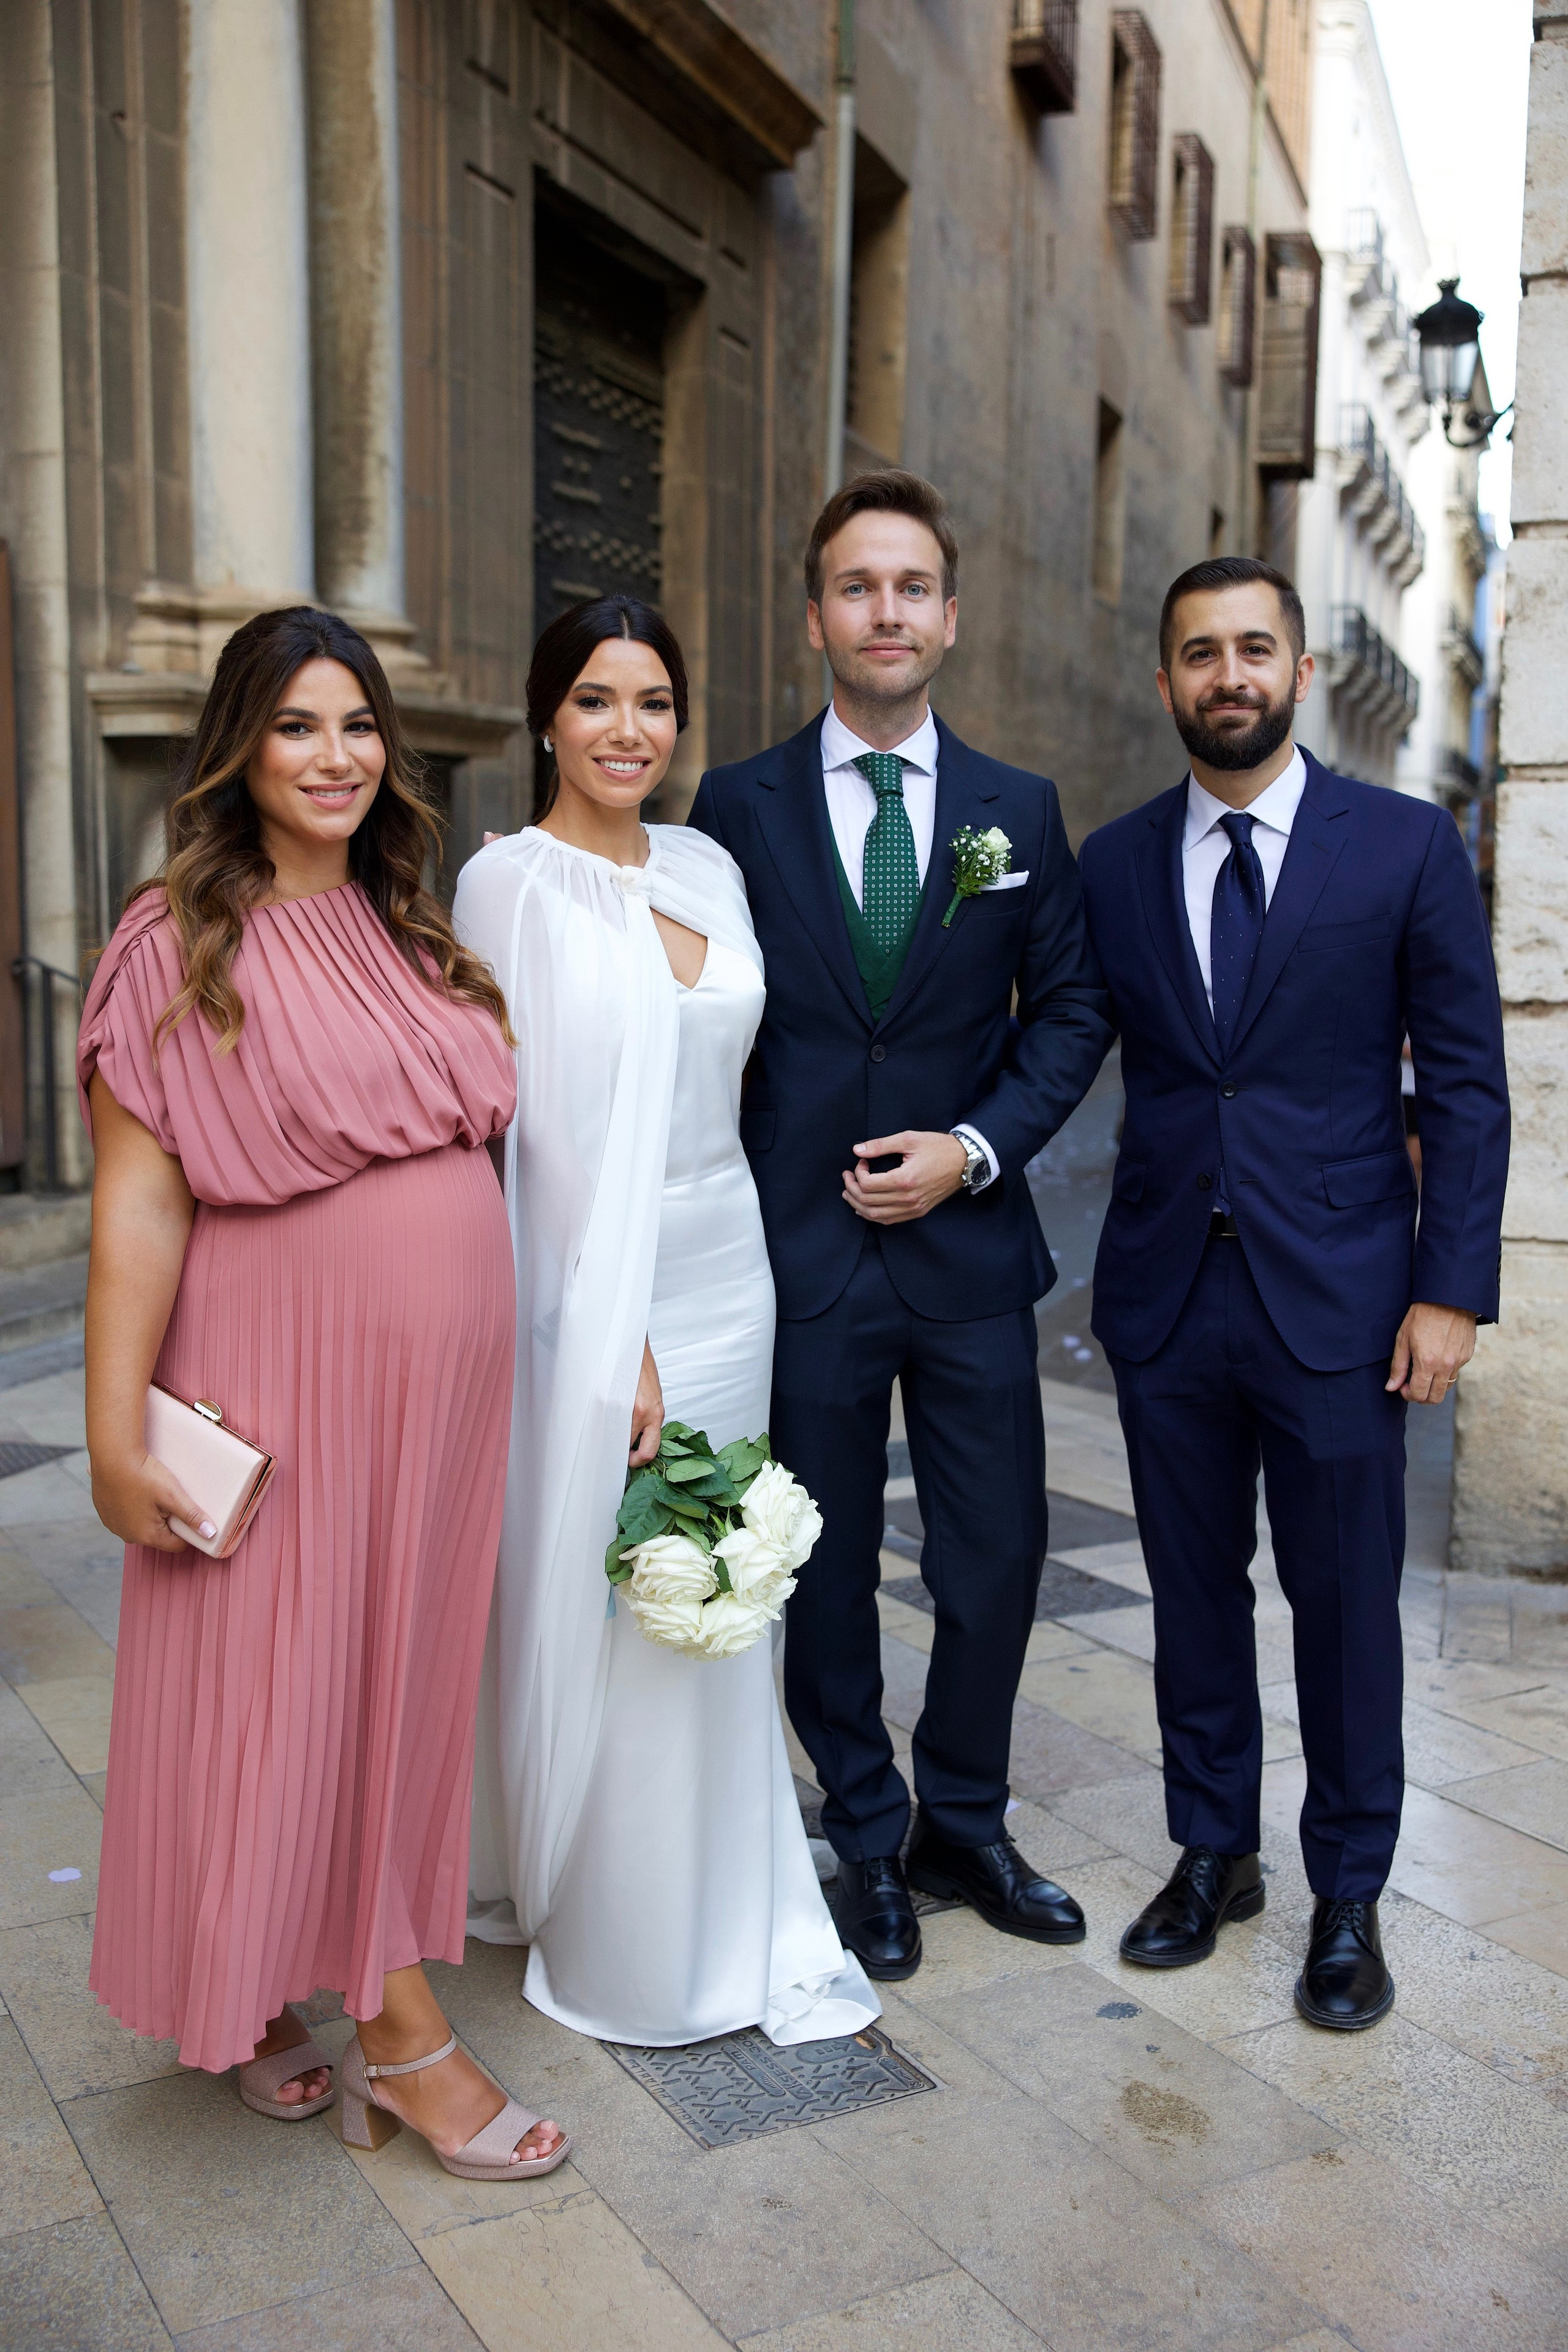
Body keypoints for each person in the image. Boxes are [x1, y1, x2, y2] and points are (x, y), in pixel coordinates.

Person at [80, 607, 567, 2177]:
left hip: (439, 1405)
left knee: (390, 1691)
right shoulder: (173, 940)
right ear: (239, 745)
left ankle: (275, 1975)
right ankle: (403, 2035)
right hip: (276, 1374)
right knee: (279, 1686)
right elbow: (140, 1210)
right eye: (296, 726)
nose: (336, 756)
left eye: (357, 724)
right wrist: (109, 1433)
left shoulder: (405, 923)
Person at [688, 472, 1114, 1980]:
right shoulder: (732, 806)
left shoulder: (1018, 812)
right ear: (815, 618)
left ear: (949, 616)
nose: (886, 612)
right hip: (793, 1256)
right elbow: (702, 1019)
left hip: (965, 1256)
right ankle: (865, 1838)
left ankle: (968, 1818)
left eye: (911, 586)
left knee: (993, 1555)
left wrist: (974, 1148)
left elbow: (1067, 1010)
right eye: (856, 587)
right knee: (818, 1558)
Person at [1078, 556, 1509, 2030]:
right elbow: (1065, 1045)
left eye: (1252, 648)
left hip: (1339, 1300)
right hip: (1164, 1300)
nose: (1227, 676)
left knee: (1338, 1608)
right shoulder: (1115, 862)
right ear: (1164, 684)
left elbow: (1462, 1082)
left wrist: (1448, 1291)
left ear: (1300, 670)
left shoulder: (1398, 846)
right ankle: (1213, 1854)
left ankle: (1346, 1894)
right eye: (1197, 653)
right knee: (1191, 1597)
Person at [458, 595, 878, 2048]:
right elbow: (525, 1130)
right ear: (544, 717)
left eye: (650, 702)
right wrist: (609, 1324)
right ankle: (629, 1931)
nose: (624, 730)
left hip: (730, 1259)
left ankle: (727, 1881)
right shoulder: (506, 884)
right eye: (592, 700)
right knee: (623, 1585)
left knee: (725, 1588)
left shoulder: (706, 864)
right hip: (596, 1287)